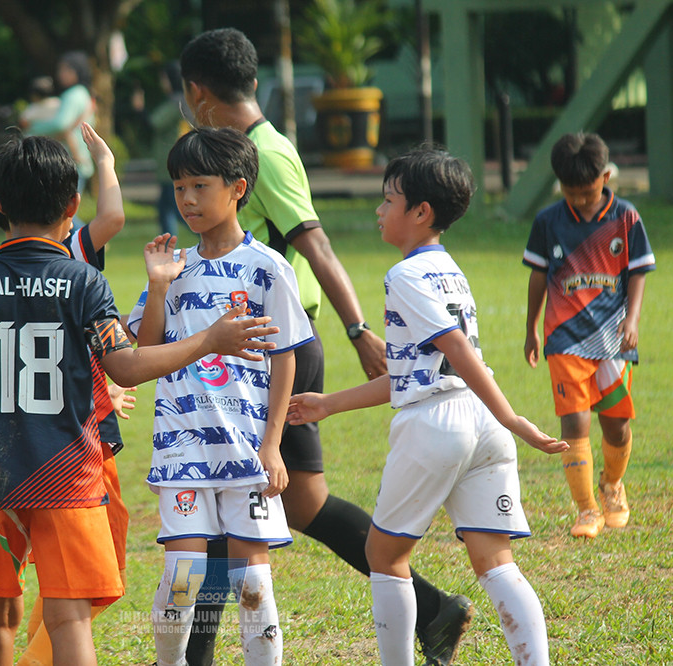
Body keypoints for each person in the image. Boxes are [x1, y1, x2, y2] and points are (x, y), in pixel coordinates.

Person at [178, 27, 472, 665]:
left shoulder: (265, 154)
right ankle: (434, 608)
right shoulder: (250, 146)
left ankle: (192, 656)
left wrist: (359, 328)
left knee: (231, 493)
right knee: (303, 502)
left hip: (273, 349)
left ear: (197, 92)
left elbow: (316, 244)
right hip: (264, 345)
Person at [0, 132, 280, 666]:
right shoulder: (84, 279)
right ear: (72, 206)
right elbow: (125, 366)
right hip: (69, 475)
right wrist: (209, 340)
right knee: (68, 616)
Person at [287, 147, 569, 666]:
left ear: (420, 212)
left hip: (439, 425)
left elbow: (456, 352)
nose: (379, 209)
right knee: (494, 560)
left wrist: (514, 417)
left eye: (388, 199)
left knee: (383, 554)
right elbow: (411, 371)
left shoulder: (406, 277)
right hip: (477, 423)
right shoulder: (450, 271)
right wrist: (329, 404)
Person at [127, 126, 311, 665]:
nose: (186, 199)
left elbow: (286, 358)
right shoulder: (172, 267)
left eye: (199, 185)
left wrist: (273, 444)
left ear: (237, 187)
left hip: (247, 450)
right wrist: (158, 287)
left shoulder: (268, 268)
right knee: (181, 576)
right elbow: (144, 349)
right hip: (183, 445)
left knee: (252, 584)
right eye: (179, 186)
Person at [0, 124, 134, 666]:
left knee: (10, 602)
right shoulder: (75, 257)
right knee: (86, 576)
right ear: (71, 204)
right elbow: (112, 216)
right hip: (74, 438)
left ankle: (43, 651)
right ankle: (43, 656)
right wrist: (104, 162)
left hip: (11, 446)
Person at [523, 132, 655, 539]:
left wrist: (631, 321)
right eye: (570, 191)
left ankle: (612, 485)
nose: (578, 199)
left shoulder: (626, 218)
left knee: (616, 424)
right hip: (563, 336)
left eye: (586, 191)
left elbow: (637, 274)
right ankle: (586, 510)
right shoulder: (548, 221)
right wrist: (531, 327)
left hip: (612, 338)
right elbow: (538, 276)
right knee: (574, 423)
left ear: (606, 176)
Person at [27, 52, 96, 195]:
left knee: (66, 213)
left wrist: (32, 127)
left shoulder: (73, 95)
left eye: (65, 69)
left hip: (70, 159)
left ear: (77, 71)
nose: (60, 74)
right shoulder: (84, 94)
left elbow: (61, 124)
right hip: (78, 158)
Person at [148, 61, 190, 236]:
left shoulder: (177, 102)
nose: (162, 83)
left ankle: (212, 234)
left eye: (164, 78)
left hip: (171, 165)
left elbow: (155, 121)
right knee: (165, 210)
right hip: (173, 164)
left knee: (177, 210)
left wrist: (140, 109)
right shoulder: (187, 101)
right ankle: (167, 248)